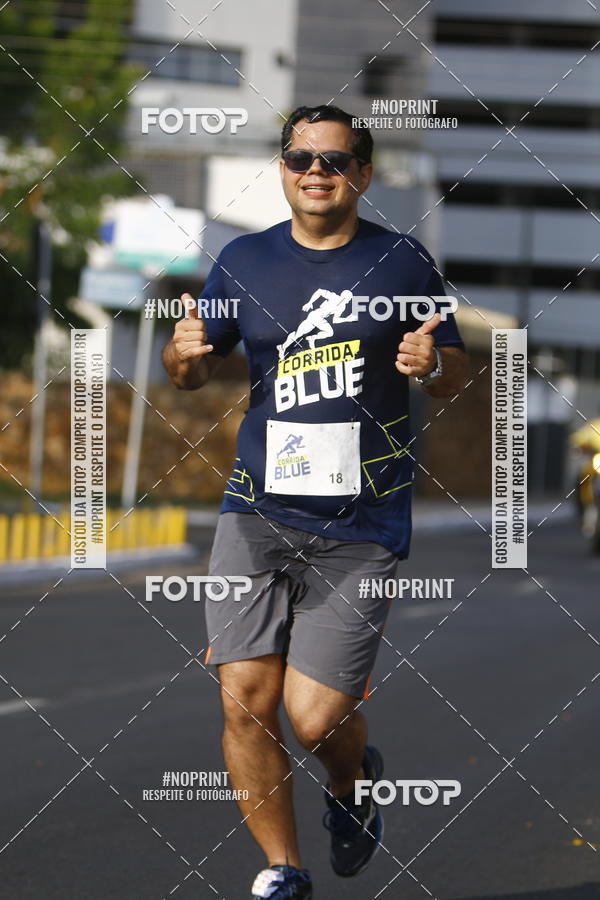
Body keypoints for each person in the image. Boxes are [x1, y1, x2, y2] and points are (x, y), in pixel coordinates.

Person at [162, 104, 468, 900]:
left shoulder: (404, 263)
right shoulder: (243, 261)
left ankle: (350, 782)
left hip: (361, 524)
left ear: (362, 174)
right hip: (255, 508)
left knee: (312, 718)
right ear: (283, 168)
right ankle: (282, 870)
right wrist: (183, 355)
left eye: (334, 161)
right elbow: (192, 366)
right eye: (301, 159)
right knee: (246, 700)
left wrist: (432, 364)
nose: (316, 173)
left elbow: (457, 371)